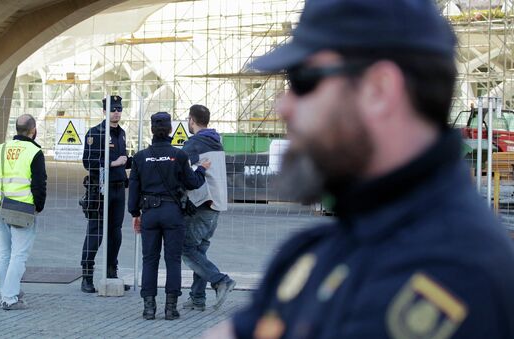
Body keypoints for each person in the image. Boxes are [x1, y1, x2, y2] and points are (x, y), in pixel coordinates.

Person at [205, 0, 514, 338]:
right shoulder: (316, 249)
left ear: (380, 89)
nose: (283, 106)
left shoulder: (466, 280)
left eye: (302, 79)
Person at [128, 112, 211, 320]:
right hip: (173, 213)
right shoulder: (179, 156)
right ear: (171, 130)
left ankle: (148, 308)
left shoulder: (140, 157)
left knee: (149, 260)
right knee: (172, 260)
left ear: (151, 130)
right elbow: (192, 182)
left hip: (149, 213)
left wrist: (135, 214)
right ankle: (171, 309)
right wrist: (201, 169)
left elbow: (134, 190)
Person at [0, 114, 47, 310]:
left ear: (17, 129)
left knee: (5, 253)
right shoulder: (34, 152)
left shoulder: (2, 148)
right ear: (33, 131)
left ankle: (7, 290)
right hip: (23, 209)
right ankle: (9, 298)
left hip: (0, 206)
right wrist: (38, 207)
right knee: (19, 255)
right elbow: (39, 184)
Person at [181, 104, 235, 311]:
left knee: (186, 249)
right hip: (217, 204)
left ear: (191, 120)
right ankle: (197, 298)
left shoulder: (194, 144)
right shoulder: (216, 141)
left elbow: (184, 174)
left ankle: (221, 280)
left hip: (202, 204)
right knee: (199, 251)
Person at [80, 95, 130, 293]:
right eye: (112, 109)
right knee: (96, 232)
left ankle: (111, 273)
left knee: (115, 233)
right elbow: (88, 162)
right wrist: (112, 163)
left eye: (119, 108)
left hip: (119, 188)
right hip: (100, 189)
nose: (116, 112)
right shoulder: (96, 133)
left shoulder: (122, 133)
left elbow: (123, 159)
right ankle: (87, 276)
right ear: (104, 112)